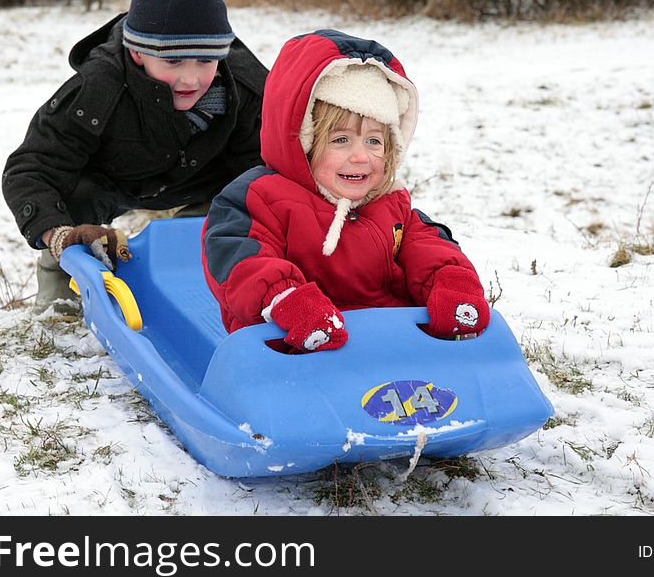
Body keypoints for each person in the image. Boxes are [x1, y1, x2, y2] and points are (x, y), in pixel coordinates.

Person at [2, 0, 268, 313]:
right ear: (137, 51)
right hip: (113, 179)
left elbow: (269, 166)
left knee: (254, 191)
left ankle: (197, 258)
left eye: (205, 61)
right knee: (67, 196)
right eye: (173, 62)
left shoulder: (249, 87)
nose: (191, 79)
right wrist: (59, 235)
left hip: (203, 179)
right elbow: (30, 169)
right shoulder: (96, 88)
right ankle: (62, 277)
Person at [201, 29, 490, 352]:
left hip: (389, 340)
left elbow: (426, 243)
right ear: (303, 142)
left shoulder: (389, 202)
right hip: (292, 346)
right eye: (340, 140)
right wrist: (285, 299)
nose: (361, 156)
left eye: (374, 141)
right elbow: (241, 262)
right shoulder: (258, 200)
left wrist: (451, 281)